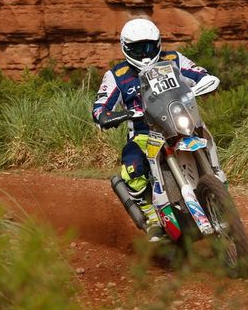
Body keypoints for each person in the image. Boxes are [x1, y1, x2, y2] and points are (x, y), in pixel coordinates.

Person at [92, 18, 224, 241]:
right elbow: (100, 105)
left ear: (158, 43)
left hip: (179, 123)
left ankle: (217, 184)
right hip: (145, 133)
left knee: (205, 135)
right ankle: (151, 215)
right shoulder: (117, 75)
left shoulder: (174, 59)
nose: (144, 53)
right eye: (137, 48)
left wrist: (205, 80)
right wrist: (106, 115)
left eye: (149, 46)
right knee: (132, 166)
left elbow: (199, 73)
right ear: (125, 47)